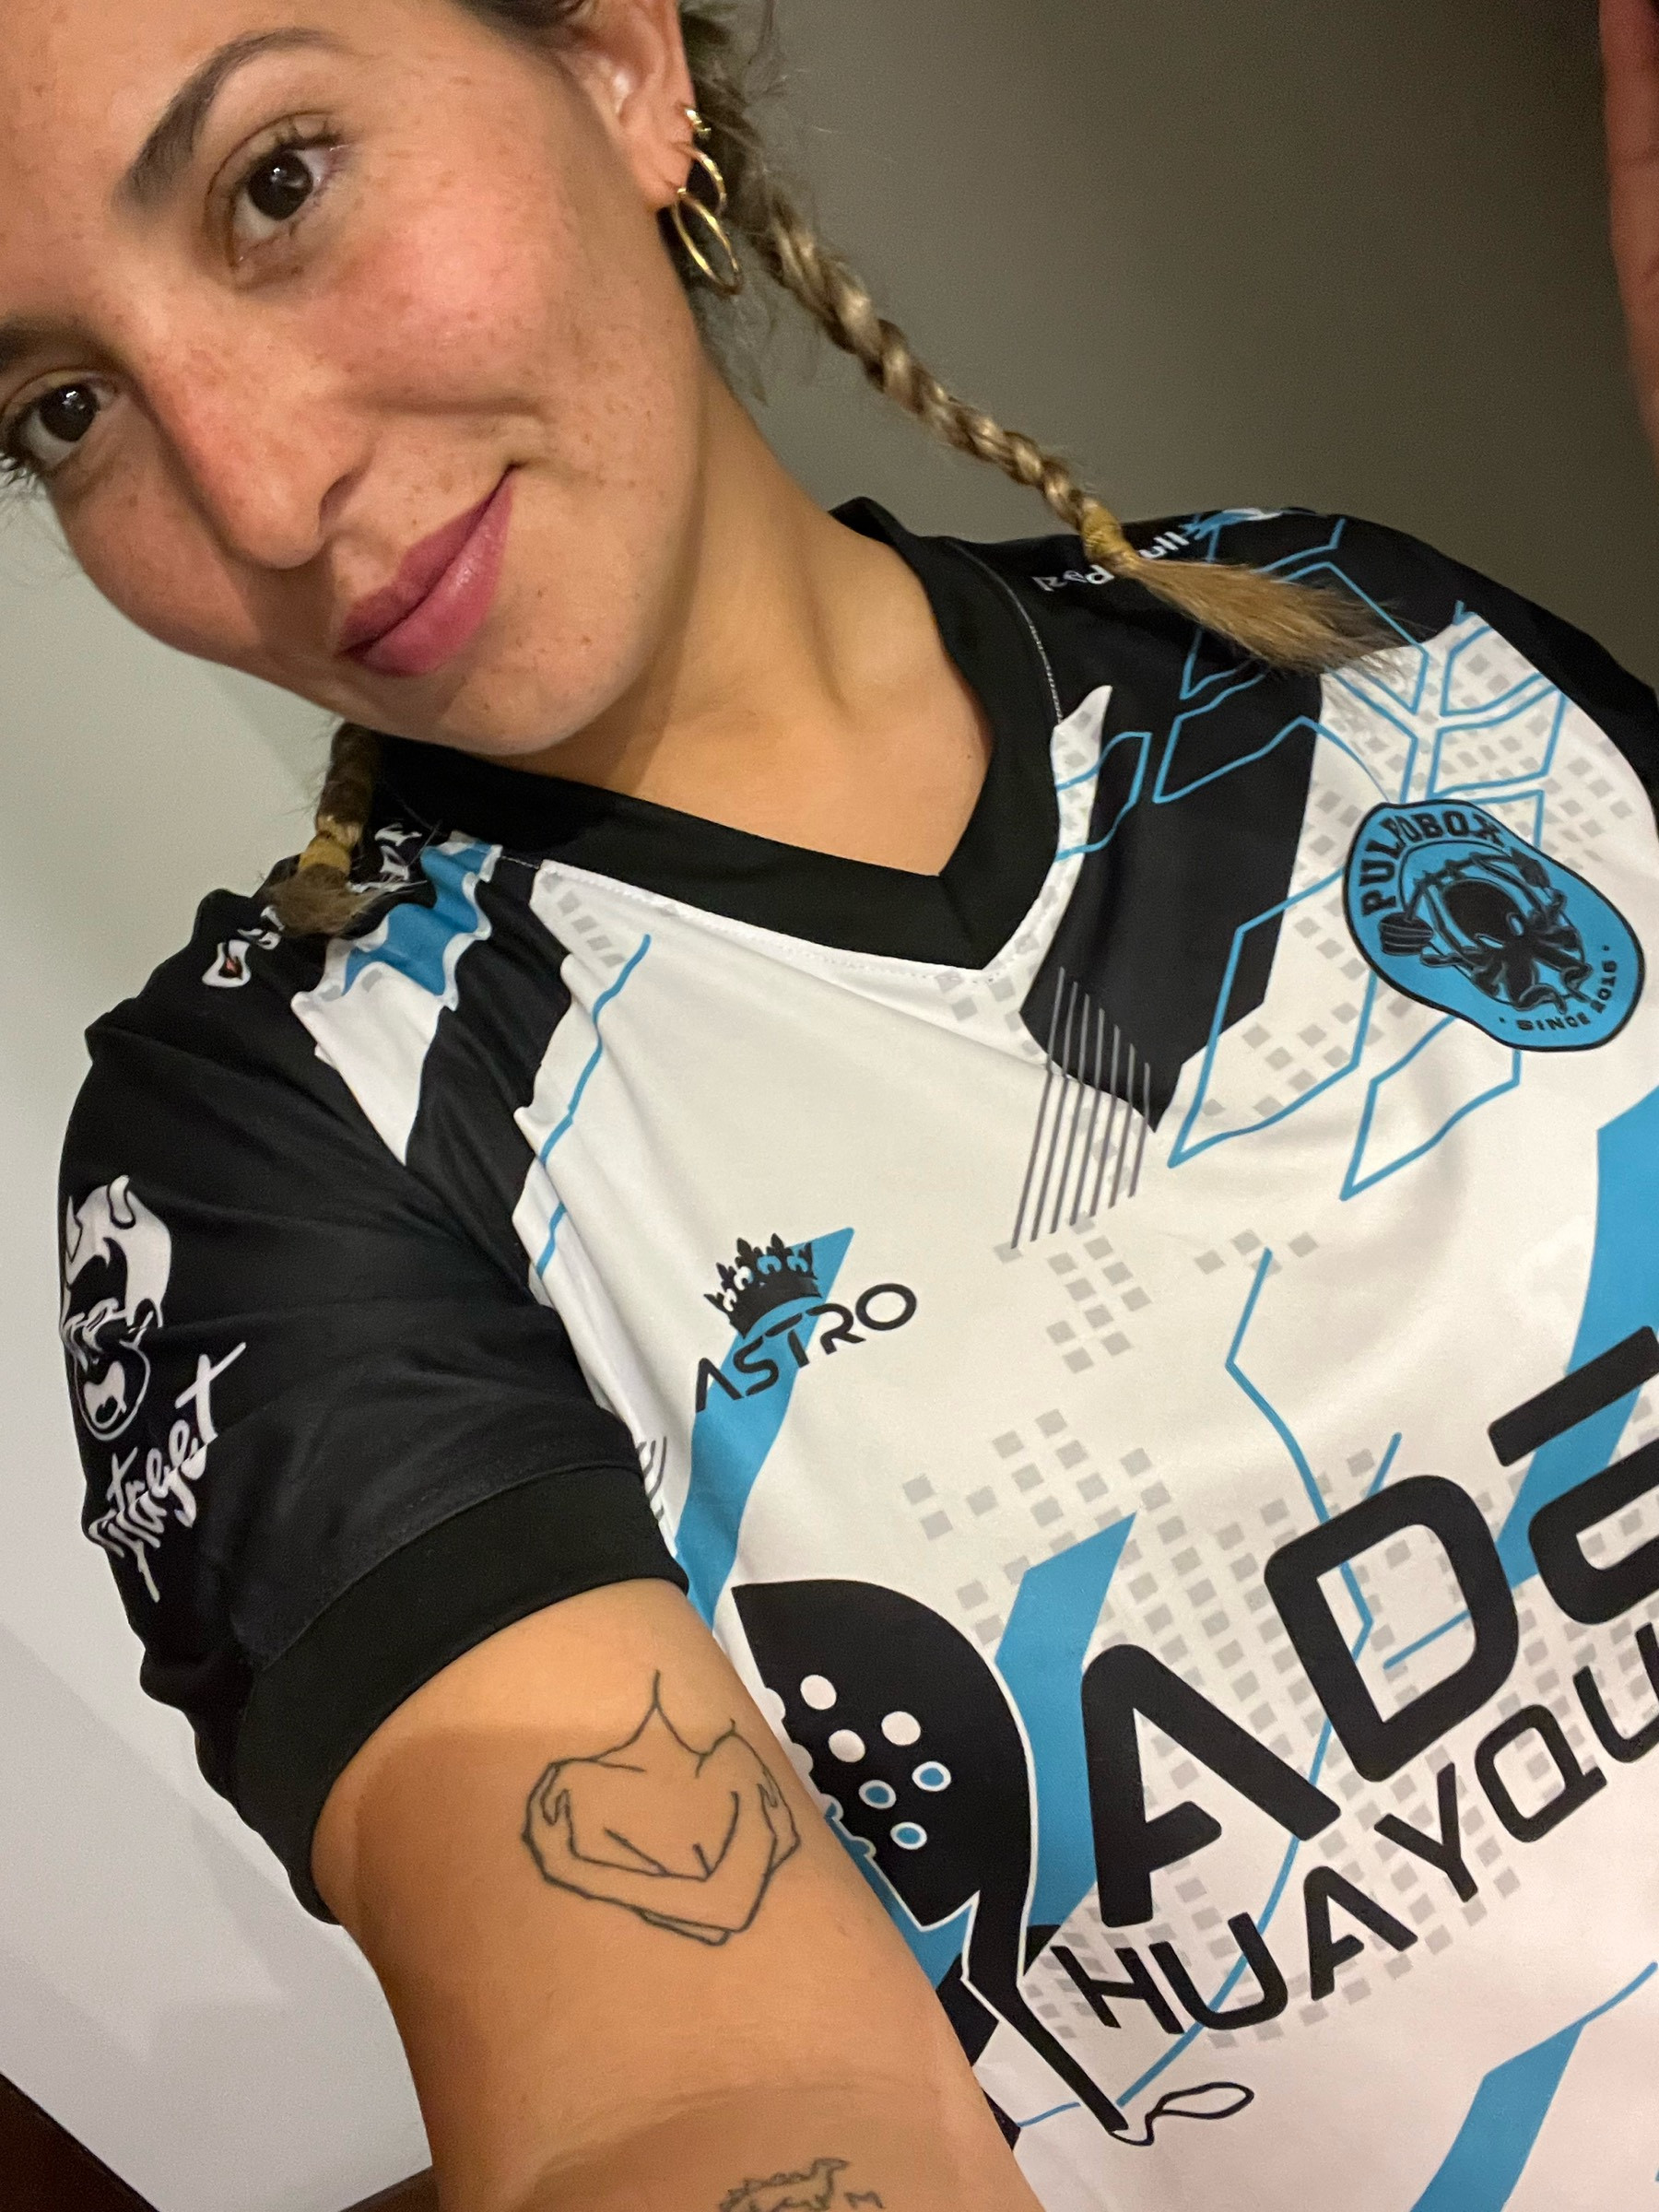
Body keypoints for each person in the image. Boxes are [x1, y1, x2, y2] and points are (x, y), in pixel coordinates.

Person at [15, 0, 1659, 2202]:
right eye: (62, 407)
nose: (258, 487)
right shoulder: (280, 1149)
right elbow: (678, 2095)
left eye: (276, 185)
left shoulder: (1357, 631)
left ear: (619, 64)